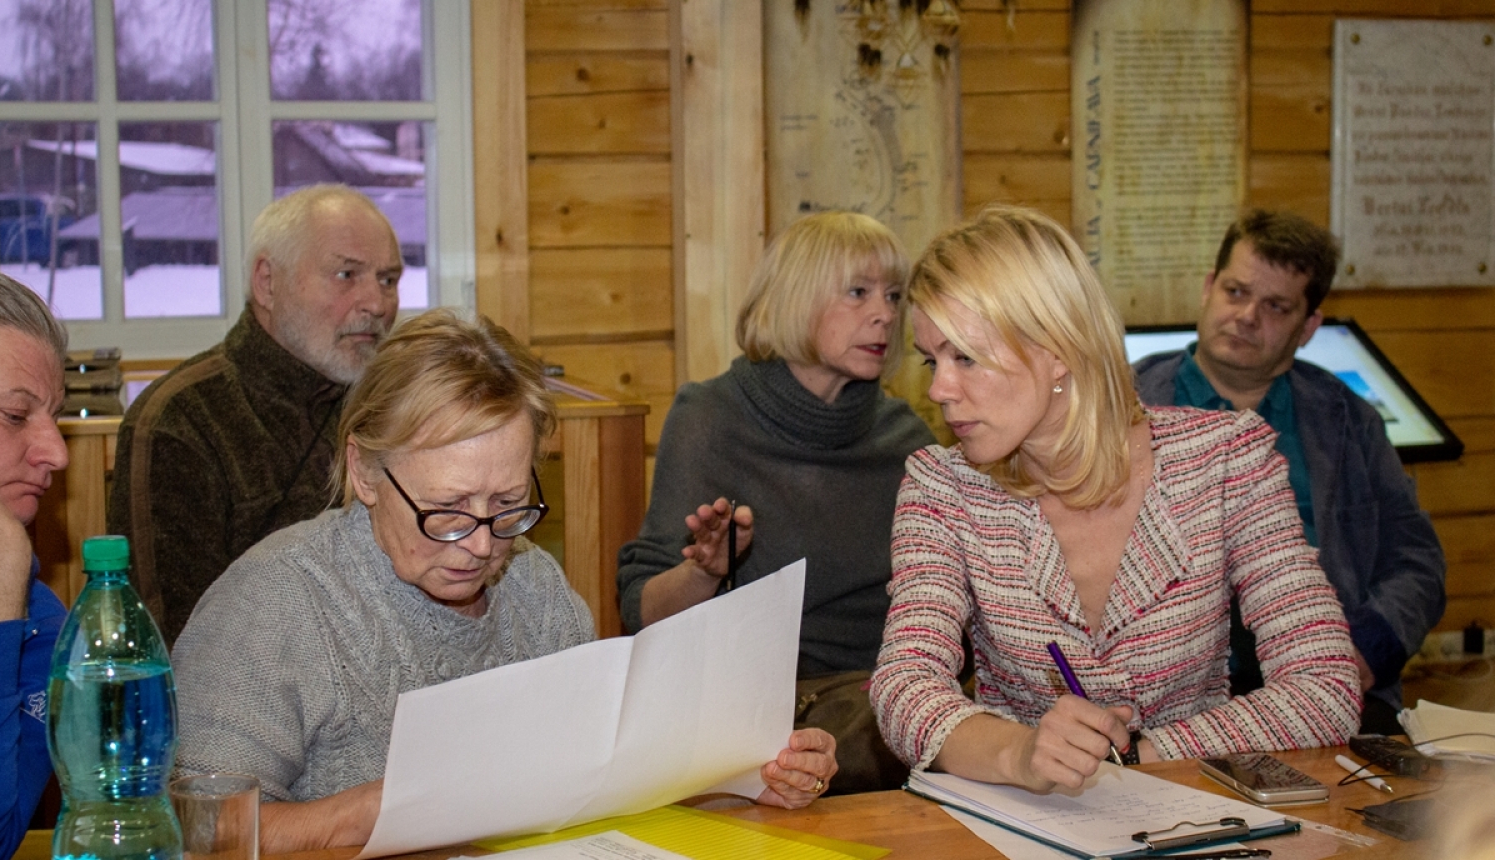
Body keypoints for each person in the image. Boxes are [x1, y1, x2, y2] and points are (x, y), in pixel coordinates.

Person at [170, 310, 838, 853]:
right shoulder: (276, 603)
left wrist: (744, 778)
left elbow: (599, 777)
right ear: (365, 472)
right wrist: (389, 809)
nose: (485, 544)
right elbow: (195, 826)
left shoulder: (535, 589)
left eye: (509, 506)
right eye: (449, 512)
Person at [870, 205, 1360, 793]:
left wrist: (1148, 754)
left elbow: (1324, 685)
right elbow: (905, 685)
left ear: (1056, 348)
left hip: (1197, 813)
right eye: (932, 359)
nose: (939, 390)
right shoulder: (943, 486)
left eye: (965, 357)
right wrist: (1020, 754)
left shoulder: (1227, 461)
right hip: (1020, 824)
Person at [616, 211, 935, 794]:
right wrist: (703, 572)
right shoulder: (710, 419)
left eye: (894, 295)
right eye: (858, 292)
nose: (885, 313)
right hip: (754, 721)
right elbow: (643, 615)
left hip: (884, 715)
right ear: (794, 298)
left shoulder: (907, 439)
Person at [1133, 209, 1445, 735]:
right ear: (1208, 289)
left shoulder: (1348, 420)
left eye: (1275, 307)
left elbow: (1417, 560)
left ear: (1308, 328)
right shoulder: (1121, 405)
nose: (1248, 316)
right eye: (1235, 292)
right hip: (1163, 699)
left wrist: (1365, 648)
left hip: (1323, 681)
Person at [108, 184, 404, 643]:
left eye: (388, 280)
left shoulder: (394, 409)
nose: (378, 303)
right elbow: (168, 643)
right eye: (347, 275)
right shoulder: (180, 422)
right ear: (267, 282)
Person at [0, 274, 69, 860]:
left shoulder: (38, 622)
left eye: (55, 417)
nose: (58, 453)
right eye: (16, 416)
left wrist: (2, 607)